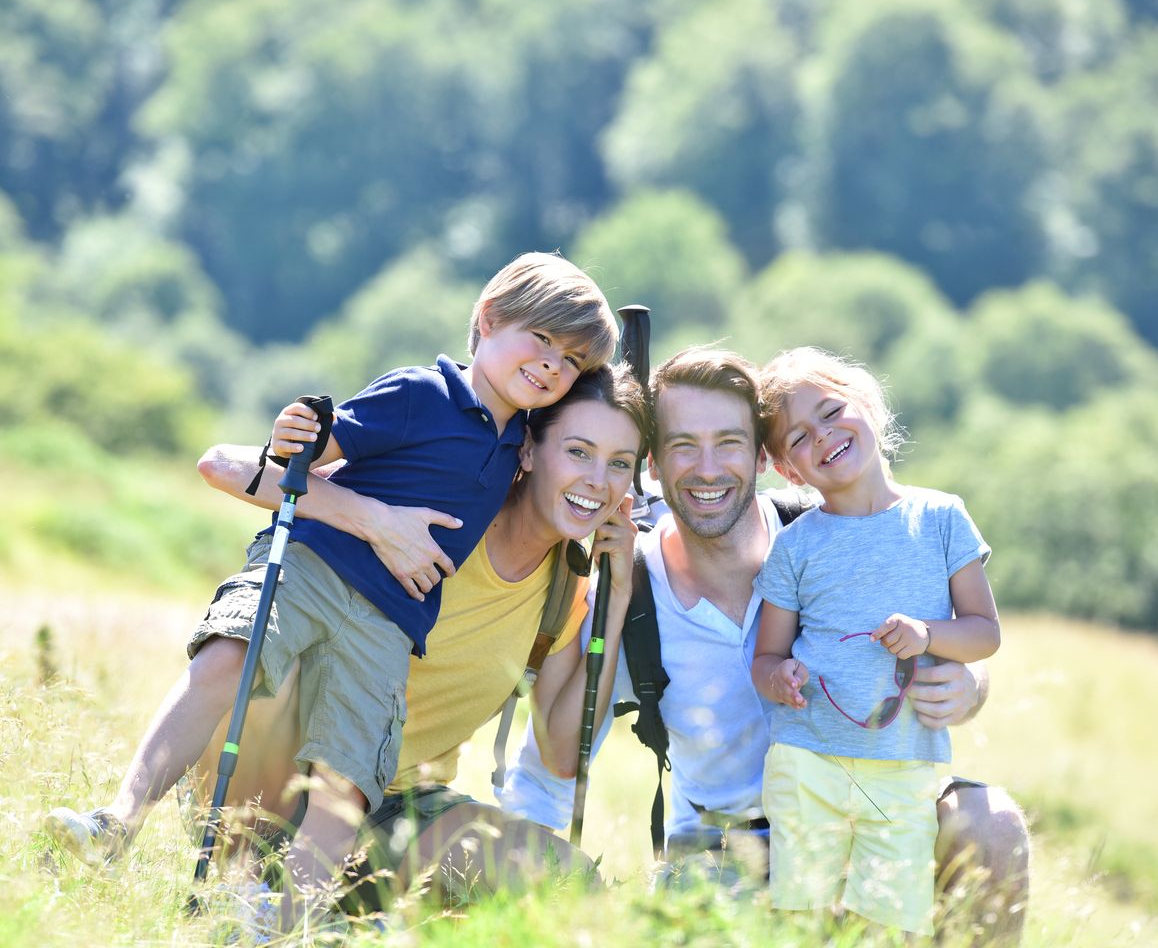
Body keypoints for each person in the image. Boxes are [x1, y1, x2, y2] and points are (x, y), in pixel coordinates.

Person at [44, 251, 617, 932]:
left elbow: (596, 440)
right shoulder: (419, 394)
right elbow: (297, 459)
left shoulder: (525, 440)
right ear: (487, 320)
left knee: (347, 776)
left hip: (387, 621)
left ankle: (287, 922)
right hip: (317, 570)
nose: (553, 365)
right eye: (542, 340)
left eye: (572, 359)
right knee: (229, 657)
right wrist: (318, 462)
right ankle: (119, 820)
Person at [499, 346, 1030, 945]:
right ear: (651, 463)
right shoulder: (633, 584)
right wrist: (616, 601)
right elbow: (557, 761)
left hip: (866, 807)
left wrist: (969, 686)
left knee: (993, 827)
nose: (707, 468)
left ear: (762, 457)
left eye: (729, 442)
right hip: (723, 849)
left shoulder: (832, 529)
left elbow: (955, 634)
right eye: (682, 445)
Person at [191, 363, 651, 914]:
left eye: (619, 464)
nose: (598, 480)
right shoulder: (440, 507)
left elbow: (560, 752)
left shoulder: (566, 591)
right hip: (291, 777)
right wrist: (371, 520)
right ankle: (244, 877)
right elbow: (230, 465)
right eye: (578, 452)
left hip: (401, 807)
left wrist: (616, 598)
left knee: (568, 883)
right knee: (265, 665)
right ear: (527, 449)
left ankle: (337, 903)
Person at [750, 347, 1000, 935]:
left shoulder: (941, 519)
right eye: (801, 438)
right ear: (789, 471)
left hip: (905, 762)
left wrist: (927, 635)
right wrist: (776, 677)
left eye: (834, 411)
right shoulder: (796, 546)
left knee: (888, 920)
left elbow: (984, 633)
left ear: (867, 403)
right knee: (801, 917)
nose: (824, 436)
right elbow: (767, 655)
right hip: (807, 757)